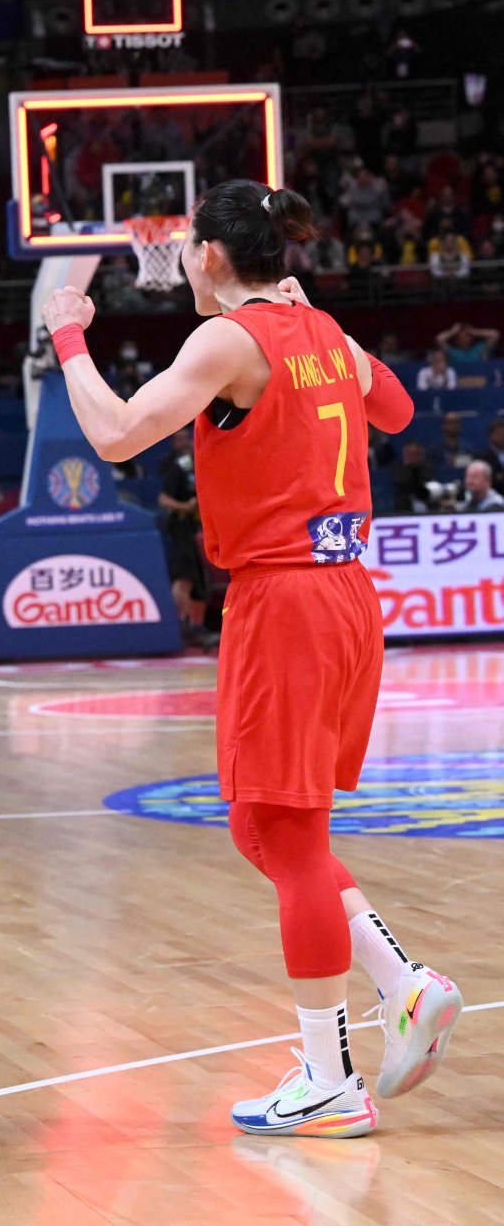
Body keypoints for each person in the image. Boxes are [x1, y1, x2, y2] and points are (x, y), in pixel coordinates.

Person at [40, 179, 461, 1140]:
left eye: (190, 246)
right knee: (261, 829)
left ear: (213, 258)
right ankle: (401, 983)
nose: (184, 259)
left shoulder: (227, 339)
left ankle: (328, 1074)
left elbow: (112, 435)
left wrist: (68, 335)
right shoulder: (315, 329)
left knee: (291, 836)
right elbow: (392, 411)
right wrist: (337, 342)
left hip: (285, 602)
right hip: (349, 597)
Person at [158, 425, 208, 642]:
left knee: (200, 583)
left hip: (200, 529)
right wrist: (185, 507)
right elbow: (163, 499)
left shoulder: (200, 463)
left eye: (186, 437)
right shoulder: (178, 467)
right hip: (181, 528)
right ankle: (179, 623)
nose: (184, 441)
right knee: (184, 577)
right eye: (178, 438)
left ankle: (196, 627)